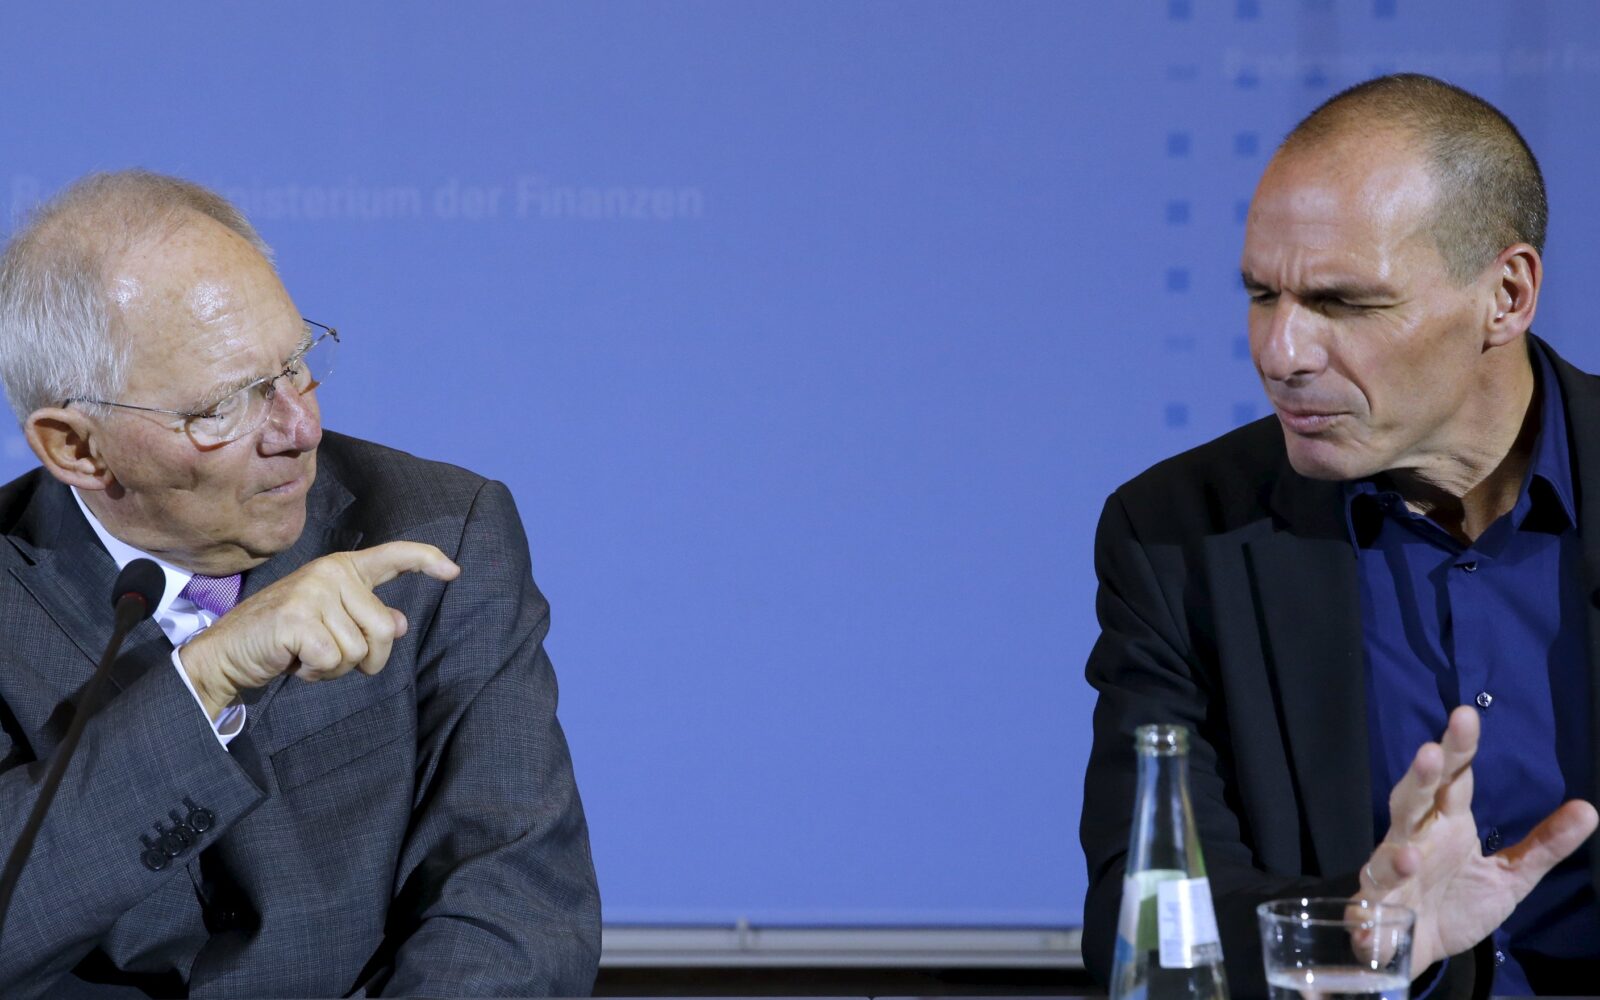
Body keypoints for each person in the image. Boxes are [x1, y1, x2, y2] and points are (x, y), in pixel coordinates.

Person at [0, 170, 601, 997]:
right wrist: (202, 684)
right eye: (224, 406)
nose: (300, 427)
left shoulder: (436, 534)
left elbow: (514, 900)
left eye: (296, 365)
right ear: (75, 447)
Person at [1081, 74, 1600, 998]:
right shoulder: (1176, 538)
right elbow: (1148, 917)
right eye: (1261, 294)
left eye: (1343, 303)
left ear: (1507, 294)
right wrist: (1364, 928)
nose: (1280, 353)